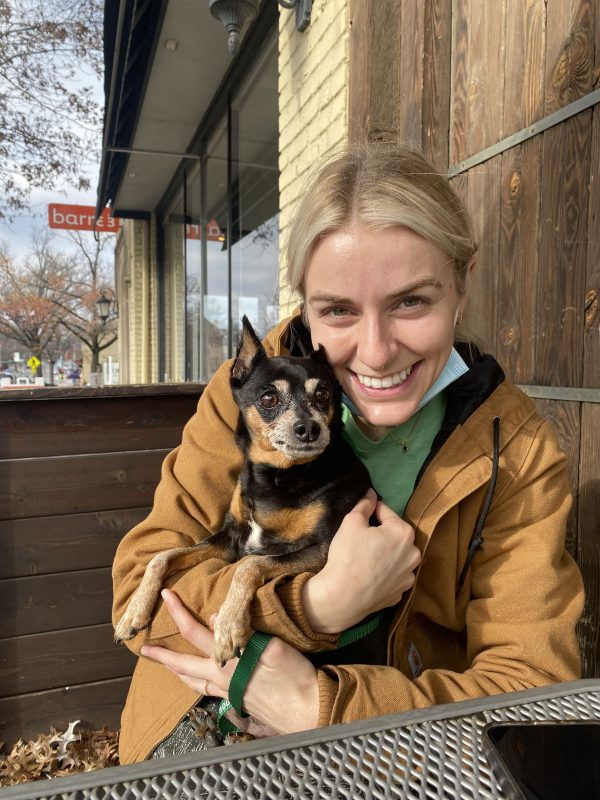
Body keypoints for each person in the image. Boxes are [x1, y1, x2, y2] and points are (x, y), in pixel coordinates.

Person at [112, 143, 584, 764]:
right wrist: (315, 605)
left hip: (388, 756)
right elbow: (137, 597)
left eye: (411, 301)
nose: (376, 351)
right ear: (305, 304)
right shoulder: (246, 399)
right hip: (188, 734)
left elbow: (534, 692)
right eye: (337, 310)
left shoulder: (517, 455)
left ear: (462, 285)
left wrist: (321, 707)